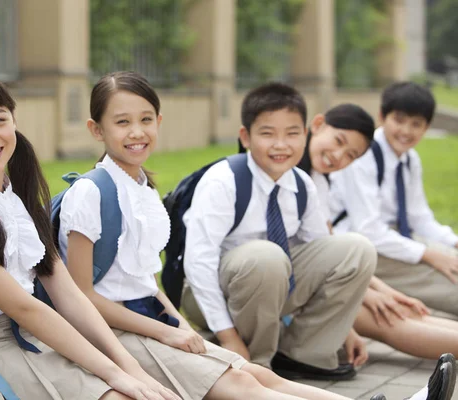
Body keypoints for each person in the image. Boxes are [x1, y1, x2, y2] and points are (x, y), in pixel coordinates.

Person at [57, 70, 414, 400]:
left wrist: (180, 326)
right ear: (96, 129)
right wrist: (168, 332)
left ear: (159, 122)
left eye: (146, 120)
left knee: (261, 375)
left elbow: (144, 284)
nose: (137, 132)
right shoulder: (91, 192)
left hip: (150, 318)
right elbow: (82, 295)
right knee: (243, 383)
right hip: (111, 330)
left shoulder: (142, 188)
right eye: (122, 122)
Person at [0, 67, 181, 400]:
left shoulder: (18, 196)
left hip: (30, 335)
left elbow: (67, 293)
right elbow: (24, 307)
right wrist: (118, 376)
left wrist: (129, 367)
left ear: (13, 120)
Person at [180, 82, 375, 381]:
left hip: (273, 284)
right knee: (266, 256)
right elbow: (198, 263)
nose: (281, 145)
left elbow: (322, 255)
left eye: (292, 133)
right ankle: (256, 365)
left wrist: (343, 327)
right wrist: (229, 336)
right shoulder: (224, 180)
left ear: (306, 133)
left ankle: (302, 353)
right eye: (268, 133)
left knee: (356, 250)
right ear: (245, 137)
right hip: (211, 290)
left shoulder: (300, 185)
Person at [299, 103, 458, 362]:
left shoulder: (318, 180)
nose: (339, 156)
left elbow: (322, 248)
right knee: (391, 318)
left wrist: (384, 290)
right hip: (333, 269)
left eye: (350, 154)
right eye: (400, 120)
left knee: (401, 309)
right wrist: (365, 292)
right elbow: (341, 245)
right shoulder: (294, 179)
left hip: (343, 265)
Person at [328, 82, 458, 318]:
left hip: (395, 239)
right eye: (399, 120)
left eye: (416, 124)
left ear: (426, 127)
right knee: (446, 279)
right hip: (361, 249)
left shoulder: (410, 160)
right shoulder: (362, 156)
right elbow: (369, 231)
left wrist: (453, 242)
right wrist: (429, 255)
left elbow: (419, 218)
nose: (406, 131)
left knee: (450, 259)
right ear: (382, 116)